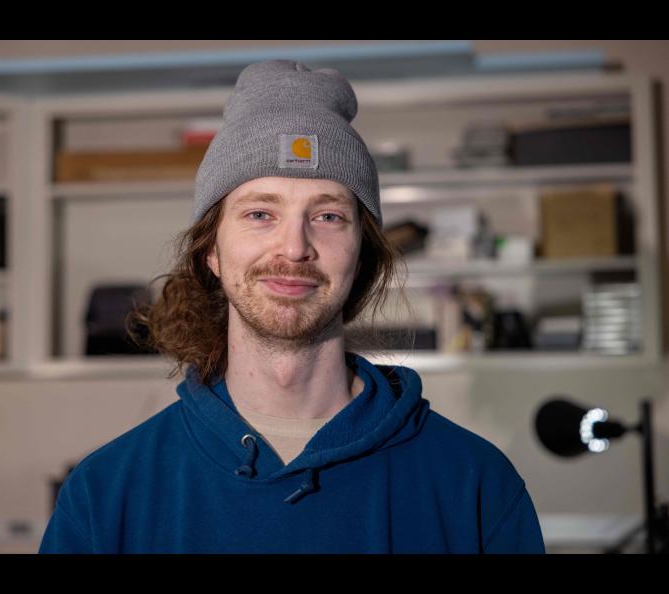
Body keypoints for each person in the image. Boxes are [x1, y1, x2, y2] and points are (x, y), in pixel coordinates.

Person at [38, 59, 546, 554]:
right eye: (261, 213)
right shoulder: (105, 495)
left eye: (327, 216)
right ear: (211, 250)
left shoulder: (475, 486)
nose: (295, 247)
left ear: (362, 254)